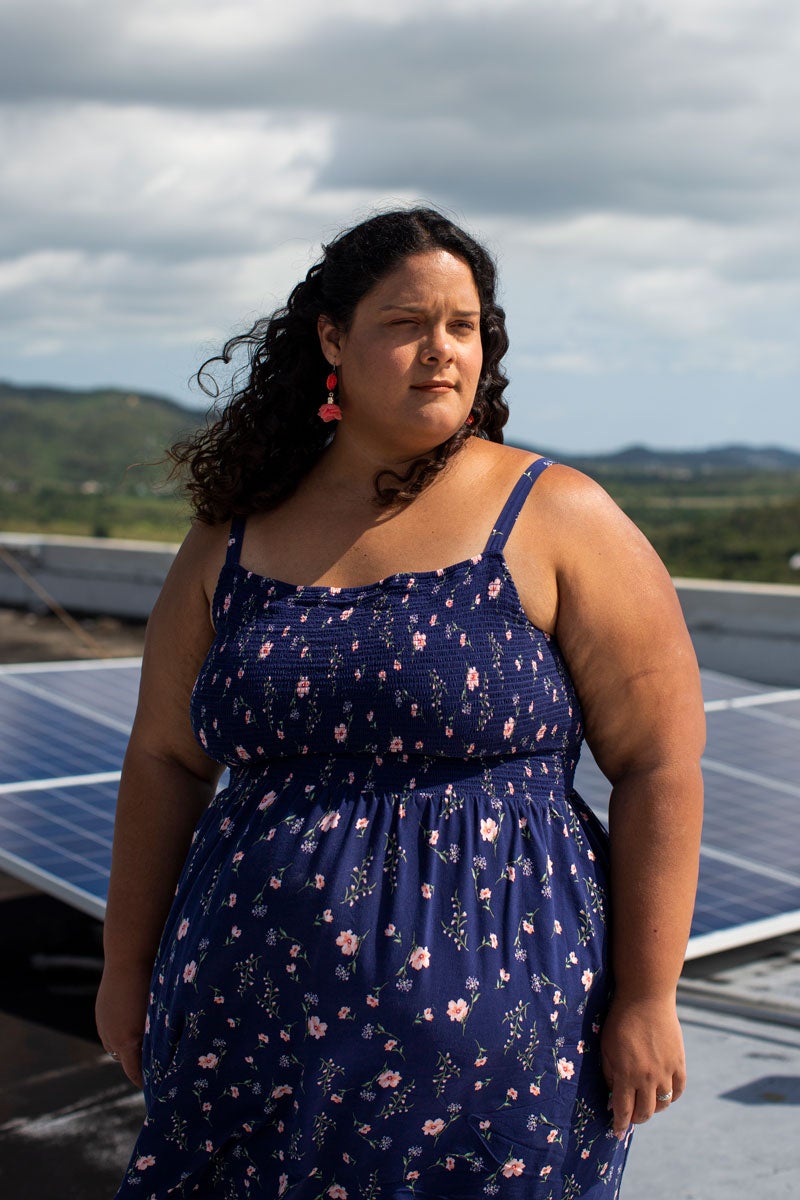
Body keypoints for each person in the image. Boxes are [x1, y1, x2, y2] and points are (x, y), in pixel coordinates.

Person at [96, 207, 704, 1199]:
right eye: (405, 323)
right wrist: (128, 967)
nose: (440, 352)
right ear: (332, 339)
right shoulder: (233, 534)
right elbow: (165, 758)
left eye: (463, 326)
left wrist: (646, 996)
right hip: (245, 1025)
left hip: (494, 1038)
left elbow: (658, 764)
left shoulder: (556, 515)